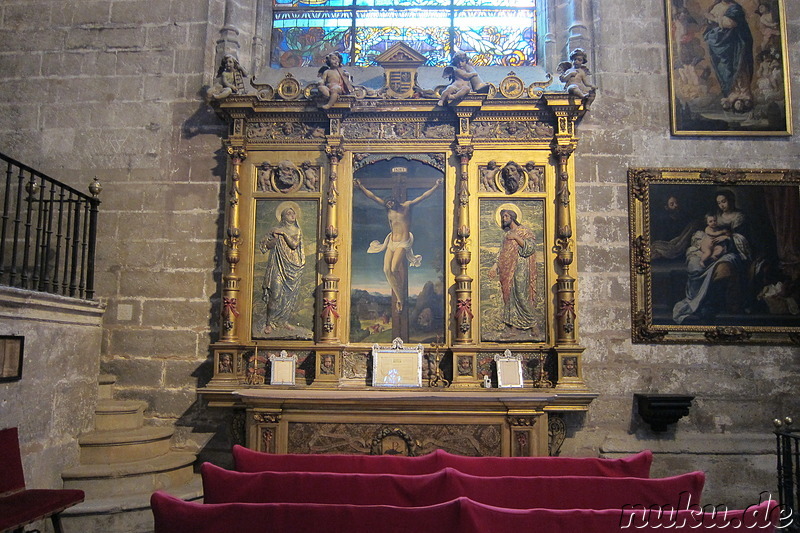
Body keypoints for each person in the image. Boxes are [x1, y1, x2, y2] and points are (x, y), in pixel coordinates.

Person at [354, 177, 443, 311]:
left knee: (394, 269)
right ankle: (400, 295)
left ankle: (401, 299)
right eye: (387, 204)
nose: (389, 205)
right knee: (386, 270)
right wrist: (360, 186)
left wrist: (436, 186)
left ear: (395, 201)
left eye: (391, 203)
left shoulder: (406, 206)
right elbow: (372, 197)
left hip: (403, 242)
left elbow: (423, 197)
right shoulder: (388, 210)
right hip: (391, 241)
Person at [672, 190, 751, 324]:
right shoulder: (716, 216)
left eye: (724, 202)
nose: (722, 205)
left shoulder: (739, 217)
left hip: (730, 251)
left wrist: (726, 237)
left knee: (723, 270)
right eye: (719, 203)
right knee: (695, 264)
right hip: (712, 248)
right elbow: (707, 231)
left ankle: (711, 305)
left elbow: (742, 238)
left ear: (732, 200)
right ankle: (701, 303)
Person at [488, 208, 538, 335]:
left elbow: (530, 247)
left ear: (512, 217)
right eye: (502, 216)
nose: (503, 219)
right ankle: (514, 327)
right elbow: (501, 252)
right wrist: (495, 267)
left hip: (520, 266)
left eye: (505, 216)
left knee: (521, 294)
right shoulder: (506, 235)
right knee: (510, 296)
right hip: (507, 269)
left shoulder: (524, 231)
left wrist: (516, 237)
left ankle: (533, 324)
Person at [260, 205, 305, 334]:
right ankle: (269, 322)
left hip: (293, 266)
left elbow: (294, 244)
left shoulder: (297, 230)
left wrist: (283, 234)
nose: (292, 215)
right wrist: (272, 242)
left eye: (294, 213)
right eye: (289, 213)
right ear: (283, 216)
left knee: (288, 296)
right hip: (277, 265)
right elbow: (264, 246)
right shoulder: (275, 230)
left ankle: (283, 321)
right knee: (275, 293)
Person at [703, 0, 754, 112]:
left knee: (740, 68)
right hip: (721, 47)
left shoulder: (735, 8)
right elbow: (710, 24)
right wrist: (711, 20)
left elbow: (730, 23)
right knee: (726, 69)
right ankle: (732, 94)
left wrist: (712, 18)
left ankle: (744, 94)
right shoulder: (716, 7)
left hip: (736, 44)